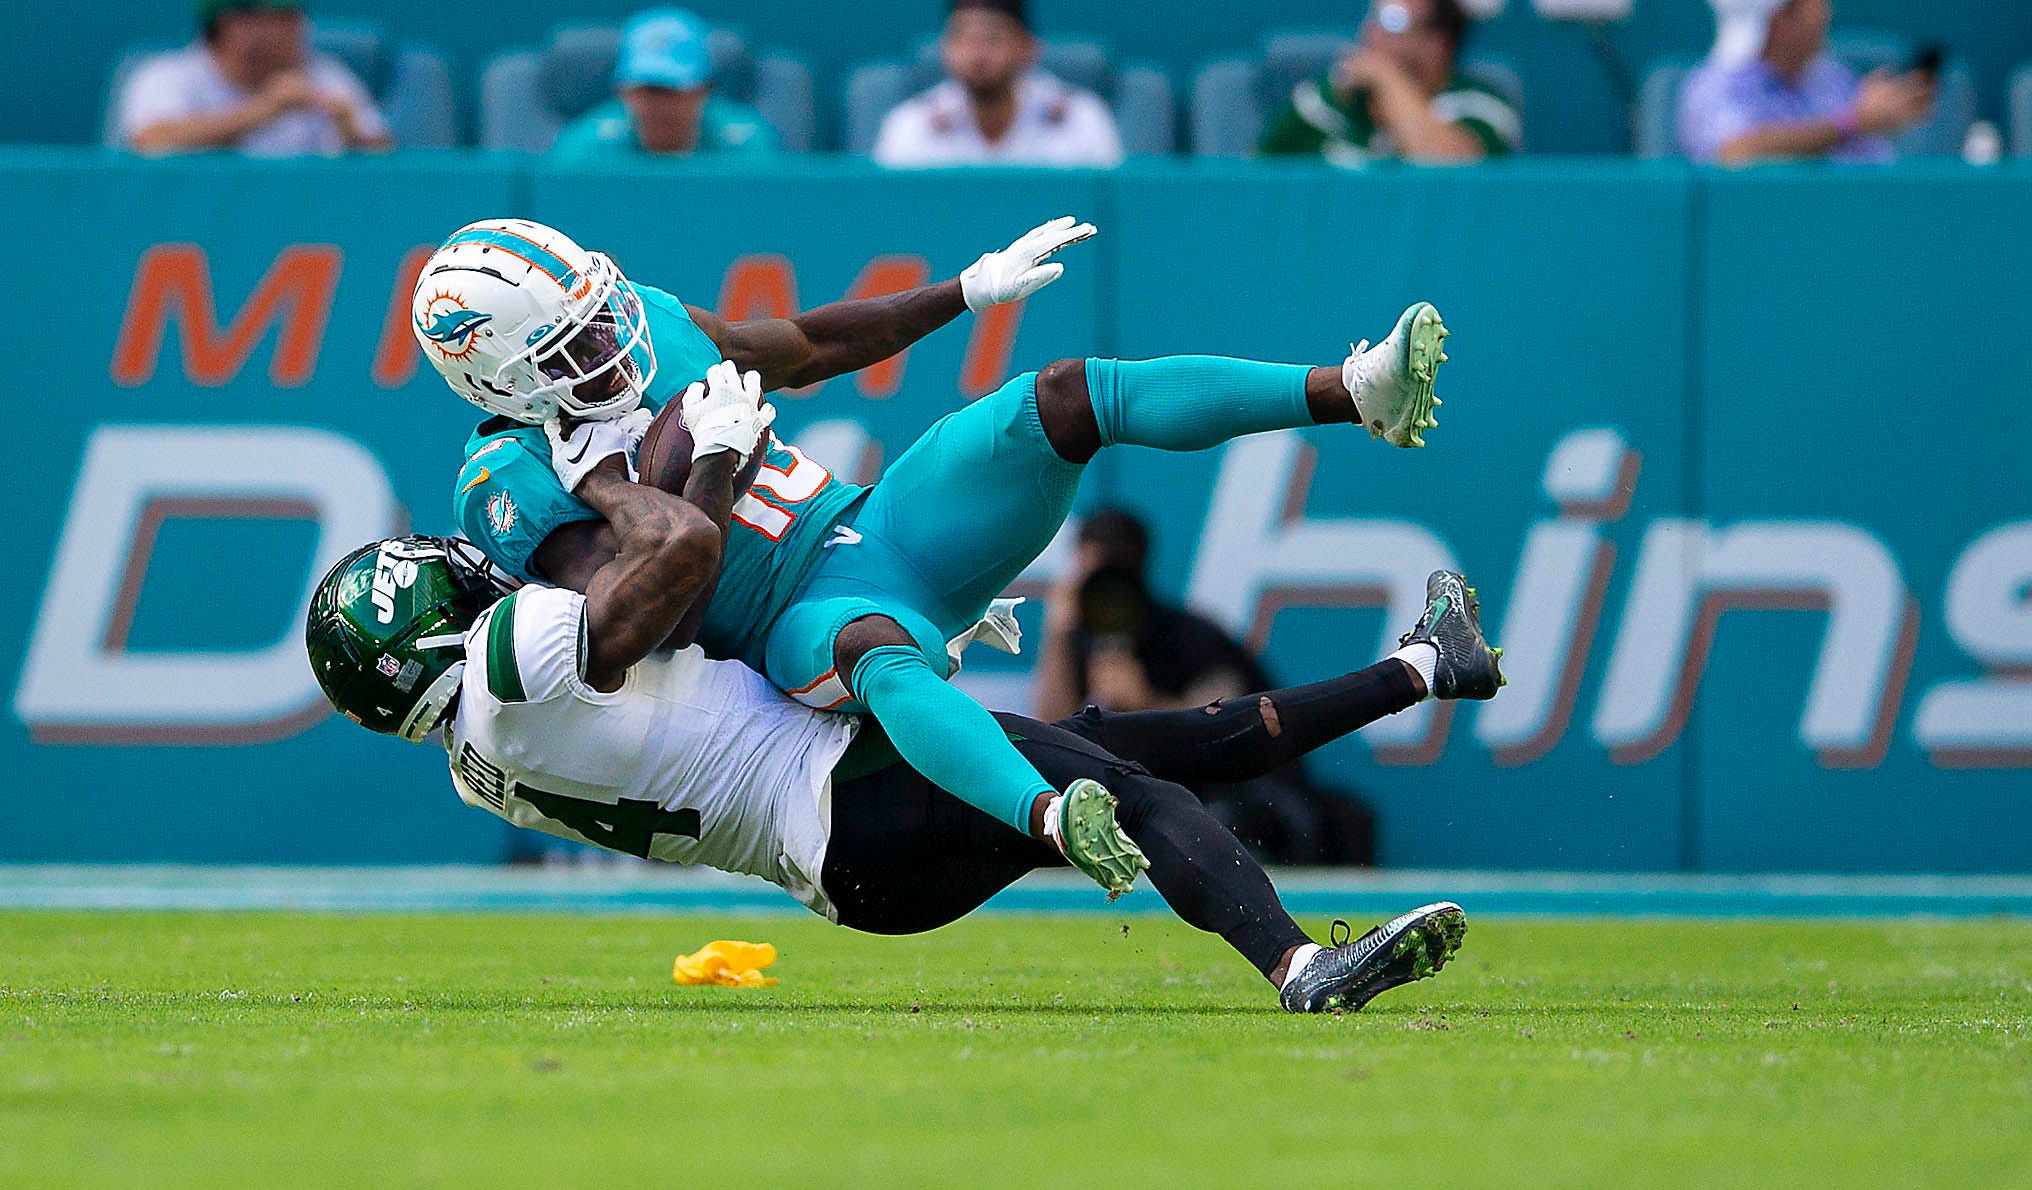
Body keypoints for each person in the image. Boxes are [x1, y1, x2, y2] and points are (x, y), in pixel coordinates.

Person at [412, 214, 1464, 898]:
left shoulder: (635, 319)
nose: (612, 345)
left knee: (1066, 395)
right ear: (495, 380)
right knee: (876, 648)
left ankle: (1352, 390)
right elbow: (660, 629)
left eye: (602, 317)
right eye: (574, 347)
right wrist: (702, 472)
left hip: (875, 525)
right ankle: (1046, 813)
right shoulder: (513, 480)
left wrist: (962, 290)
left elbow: (804, 345)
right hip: (788, 627)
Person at [304, 458, 1499, 1011]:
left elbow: (680, 655)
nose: (473, 573)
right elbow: (678, 553)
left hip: (841, 848)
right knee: (1129, 787)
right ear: (423, 637)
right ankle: (1301, 968)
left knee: (1139, 743)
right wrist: (626, 470)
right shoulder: (511, 660)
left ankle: (1421, 666)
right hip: (848, 794)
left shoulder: (476, 762)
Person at [1035, 508, 1375, 865]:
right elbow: (1049, 733)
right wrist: (1056, 636)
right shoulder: (1075, 642)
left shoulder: (1191, 638)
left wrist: (1146, 702)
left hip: (1236, 798)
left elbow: (1232, 727)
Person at [1676, 0, 1933, 166]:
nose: (1827, 9)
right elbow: (1735, 154)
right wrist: (1853, 123)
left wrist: (1879, 117)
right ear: (1780, 21)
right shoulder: (1712, 88)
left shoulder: (1833, 78)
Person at [116, 0, 391, 156]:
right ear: (233, 26)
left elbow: (386, 159)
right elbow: (152, 142)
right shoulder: (164, 76)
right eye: (283, 14)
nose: (301, 25)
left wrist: (351, 134)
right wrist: (264, 110)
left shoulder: (326, 75)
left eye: (299, 12)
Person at [1257, 0, 1518, 165]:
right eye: (1372, 16)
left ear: (1439, 43)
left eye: (1392, 21)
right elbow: (1255, 178)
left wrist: (1387, 78)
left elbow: (1453, 171)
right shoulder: (1326, 102)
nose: (1371, 32)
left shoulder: (1481, 106)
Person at [871, 0, 1123, 168]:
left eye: (993, 39)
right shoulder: (910, 125)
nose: (977, 54)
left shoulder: (1082, 119)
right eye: (963, 38)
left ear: (1027, 47)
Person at [548, 8, 777, 162]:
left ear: (704, 90)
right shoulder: (584, 150)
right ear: (623, 91)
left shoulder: (746, 148)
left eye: (673, 90)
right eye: (648, 90)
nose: (659, 105)